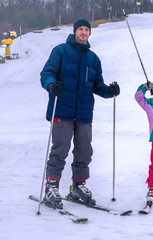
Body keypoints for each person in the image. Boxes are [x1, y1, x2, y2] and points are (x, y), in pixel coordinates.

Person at [40, 19, 120, 209]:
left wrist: (109, 91)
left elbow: (97, 86)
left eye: (86, 30)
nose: (83, 32)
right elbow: (46, 73)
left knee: (84, 150)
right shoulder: (60, 51)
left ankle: (78, 186)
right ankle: (51, 187)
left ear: (89, 33)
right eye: (80, 29)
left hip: (84, 113)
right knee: (60, 149)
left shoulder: (93, 58)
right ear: (75, 31)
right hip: (61, 108)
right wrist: (52, 85)